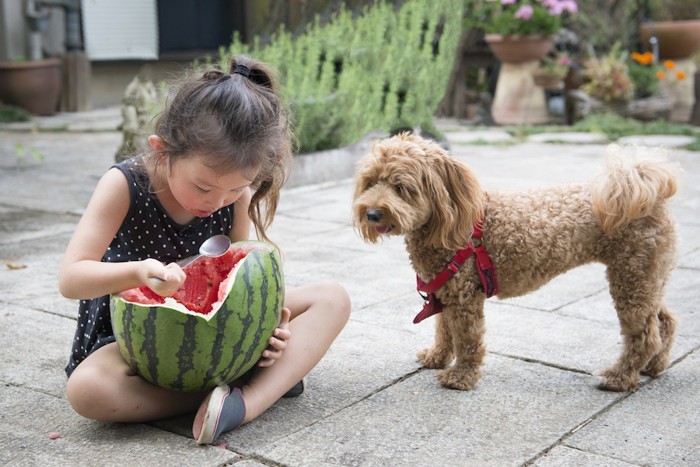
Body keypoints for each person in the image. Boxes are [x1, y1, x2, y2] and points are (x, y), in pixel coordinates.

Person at [58, 55, 351, 445]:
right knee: (88, 391)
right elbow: (71, 278)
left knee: (333, 298)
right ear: (163, 150)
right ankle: (251, 386)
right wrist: (138, 273)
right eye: (203, 187)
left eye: (234, 189)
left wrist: (269, 325)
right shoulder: (123, 186)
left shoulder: (236, 196)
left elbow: (239, 283)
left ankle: (247, 403)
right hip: (133, 342)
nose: (218, 202)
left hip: (217, 333)